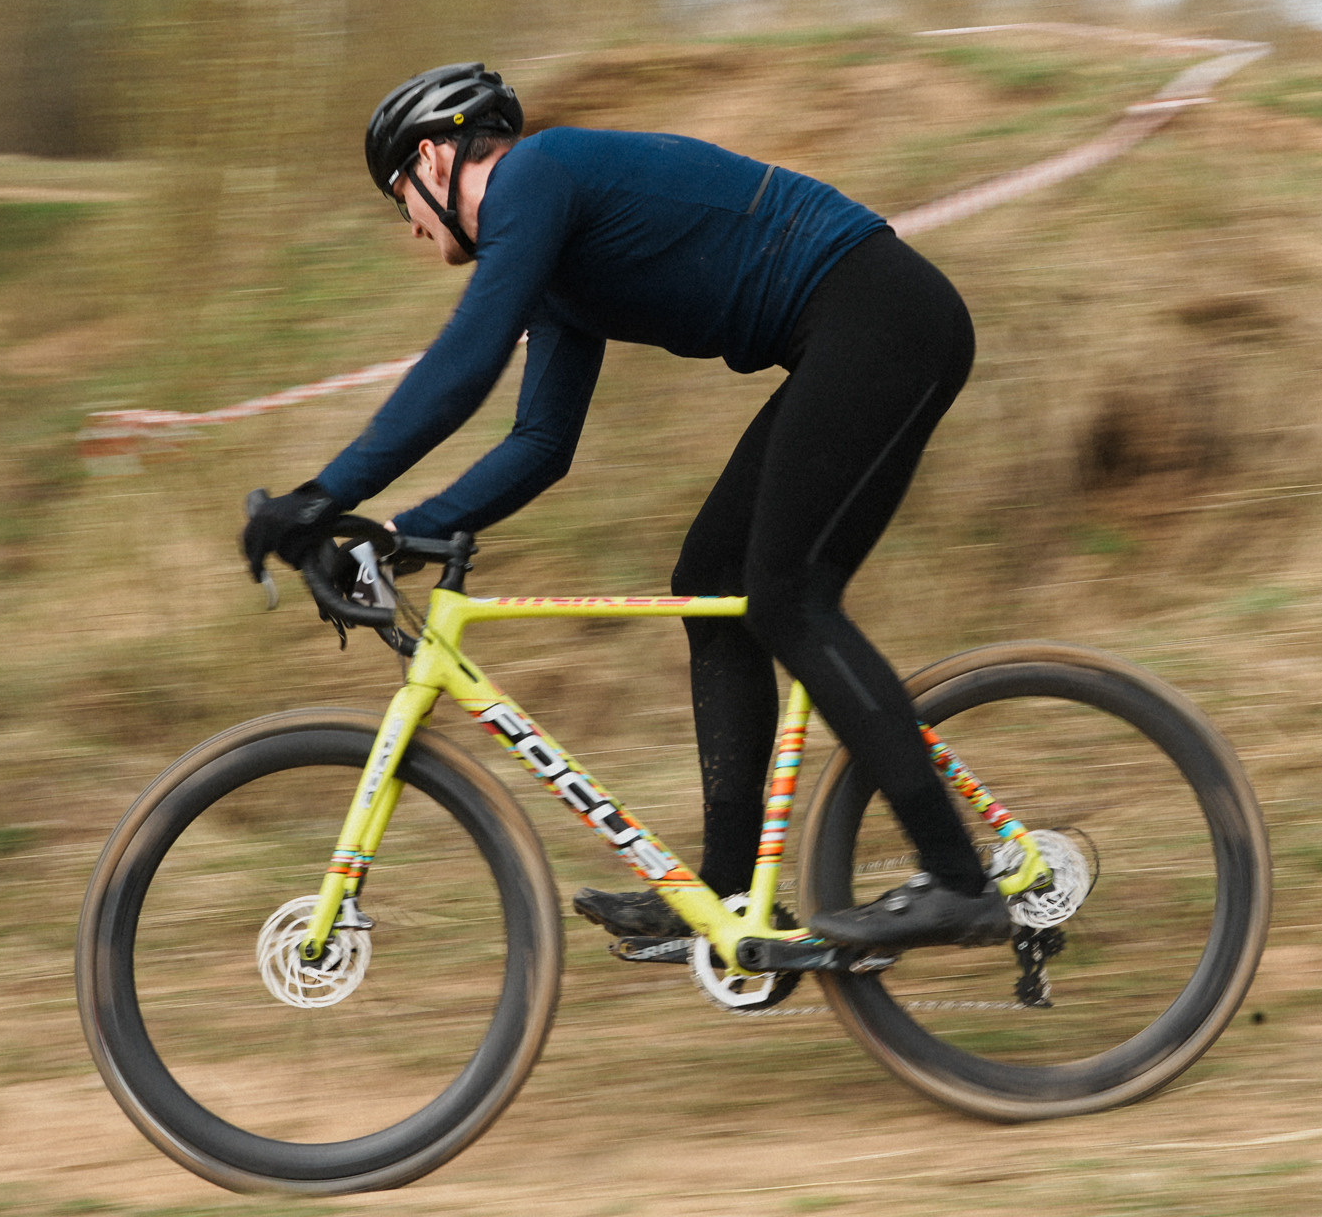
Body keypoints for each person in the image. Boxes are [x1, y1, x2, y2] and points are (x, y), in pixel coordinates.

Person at [240, 62, 1010, 952]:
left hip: (884, 317)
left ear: (433, 160)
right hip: (857, 330)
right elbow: (540, 445)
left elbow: (465, 359)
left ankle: (958, 881)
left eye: (398, 198)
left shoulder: (537, 178)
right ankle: (724, 896)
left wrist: (323, 496)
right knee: (712, 581)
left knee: (786, 594)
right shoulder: (555, 264)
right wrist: (397, 536)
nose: (408, 226)